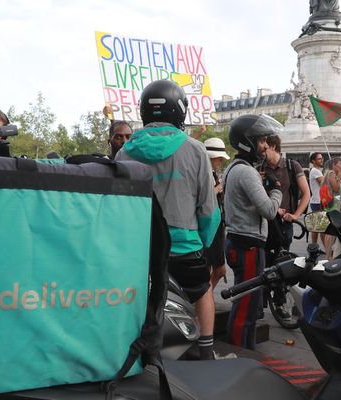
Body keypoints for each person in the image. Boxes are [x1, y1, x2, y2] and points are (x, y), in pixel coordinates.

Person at [115, 80, 221, 360]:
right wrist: (204, 244)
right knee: (202, 291)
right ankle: (207, 351)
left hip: (142, 251)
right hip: (185, 248)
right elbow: (208, 209)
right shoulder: (195, 149)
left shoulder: (124, 152)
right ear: (179, 110)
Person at [223, 114, 282, 349]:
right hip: (247, 245)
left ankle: (244, 350)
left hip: (240, 241)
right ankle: (239, 354)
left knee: (246, 304)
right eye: (260, 141)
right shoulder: (246, 172)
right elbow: (269, 210)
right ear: (246, 142)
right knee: (245, 307)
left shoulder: (235, 168)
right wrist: (276, 189)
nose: (265, 145)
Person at [261, 134, 310, 251]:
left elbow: (306, 193)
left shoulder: (292, 166)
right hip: (265, 223)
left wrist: (295, 215)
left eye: (265, 148)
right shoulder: (260, 169)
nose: (262, 152)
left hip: (284, 223)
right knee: (265, 263)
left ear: (273, 146)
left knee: (282, 261)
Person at [203, 137, 230, 290]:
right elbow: (203, 197)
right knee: (217, 269)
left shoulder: (211, 173)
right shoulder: (205, 174)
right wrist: (219, 188)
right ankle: (203, 299)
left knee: (213, 269)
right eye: (219, 159)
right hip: (211, 226)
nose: (220, 162)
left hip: (215, 224)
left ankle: (204, 299)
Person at [308, 152, 325, 245]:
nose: (321, 160)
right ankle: (325, 249)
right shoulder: (315, 171)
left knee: (317, 227)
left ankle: (314, 247)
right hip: (318, 202)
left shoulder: (317, 171)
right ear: (313, 161)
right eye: (319, 159)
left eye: (322, 158)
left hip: (317, 201)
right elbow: (325, 182)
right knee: (321, 228)